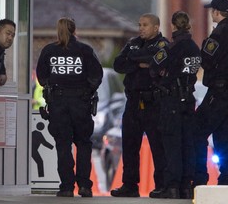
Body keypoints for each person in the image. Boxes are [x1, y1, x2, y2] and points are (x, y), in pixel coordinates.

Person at [36, 17, 103, 197]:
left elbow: (42, 76)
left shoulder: (49, 51)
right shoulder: (85, 50)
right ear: (75, 30)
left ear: (58, 31)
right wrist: (86, 91)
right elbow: (97, 74)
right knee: (83, 144)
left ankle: (66, 187)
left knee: (63, 145)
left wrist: (54, 85)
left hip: (58, 103)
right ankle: (84, 186)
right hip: (81, 102)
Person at [193, 0, 228, 187]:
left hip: (217, 91)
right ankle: (227, 180)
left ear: (216, 12)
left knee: (197, 131)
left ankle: (199, 178)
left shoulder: (219, 33)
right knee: (224, 136)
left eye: (212, 11)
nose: (211, 14)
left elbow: (206, 59)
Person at [110, 13, 168, 198]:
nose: (141, 28)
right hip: (133, 101)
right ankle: (130, 185)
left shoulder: (162, 44)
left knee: (158, 146)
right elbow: (118, 64)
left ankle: (162, 185)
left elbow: (157, 63)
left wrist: (134, 59)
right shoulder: (133, 43)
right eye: (139, 24)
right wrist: (139, 61)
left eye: (145, 25)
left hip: (153, 103)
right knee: (129, 145)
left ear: (156, 28)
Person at [149, 11, 201, 199]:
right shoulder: (195, 48)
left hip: (171, 100)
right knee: (187, 143)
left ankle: (172, 186)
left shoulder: (172, 48)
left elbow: (154, 68)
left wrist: (164, 75)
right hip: (188, 100)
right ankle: (186, 186)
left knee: (172, 144)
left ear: (173, 26)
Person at [0, 19, 16, 86]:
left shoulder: (0, 50)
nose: (10, 38)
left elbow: (2, 77)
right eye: (8, 33)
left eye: (13, 35)